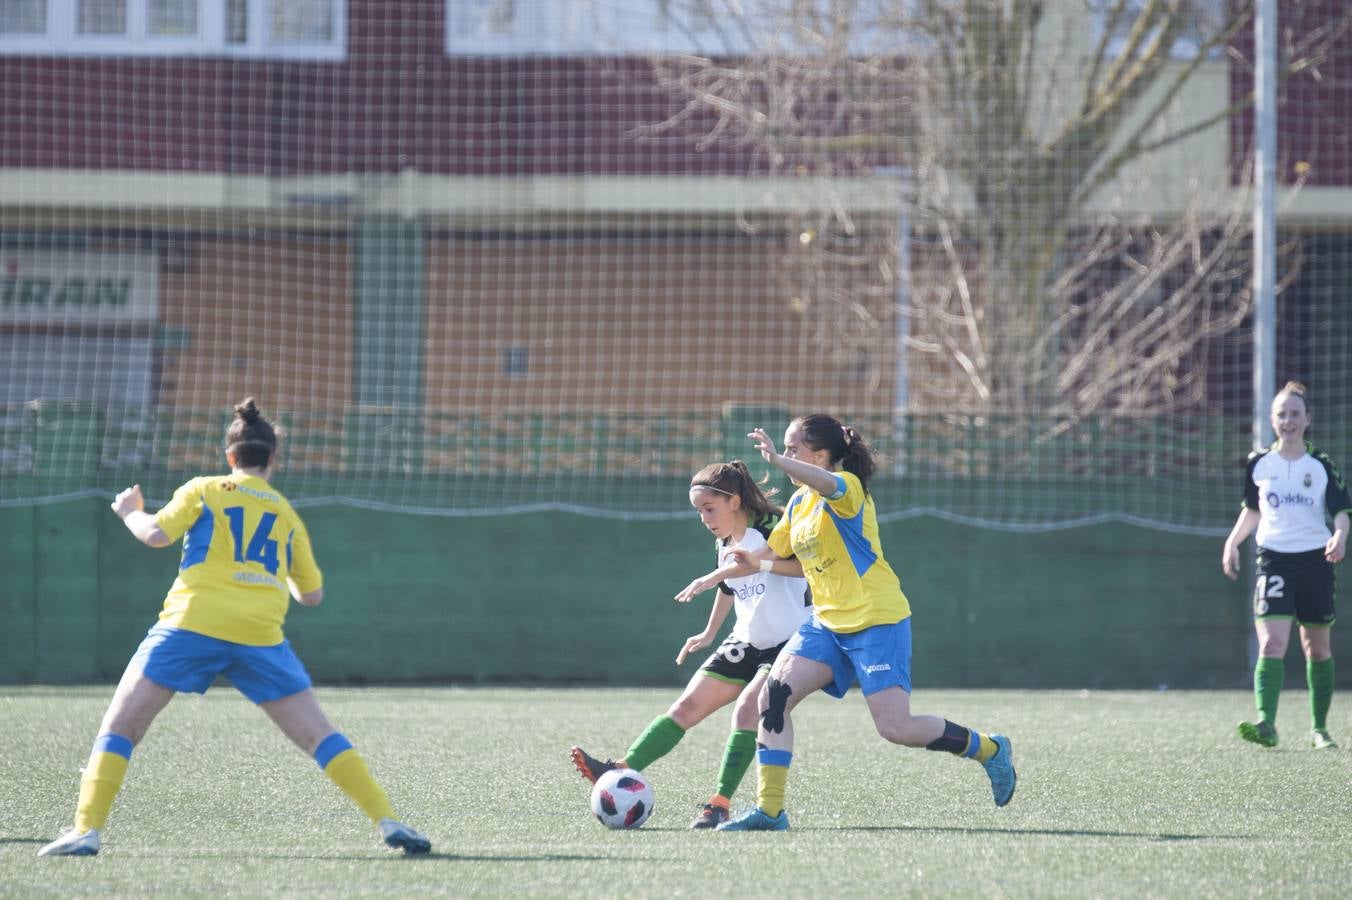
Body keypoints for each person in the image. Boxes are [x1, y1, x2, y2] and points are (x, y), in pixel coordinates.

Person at [38, 398, 431, 857]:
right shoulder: (286, 513)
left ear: (230, 457)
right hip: (259, 634)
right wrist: (273, 568)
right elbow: (312, 596)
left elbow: (156, 535)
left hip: (192, 624)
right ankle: (387, 820)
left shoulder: (205, 488)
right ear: (273, 461)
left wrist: (129, 510)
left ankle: (86, 830)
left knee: (121, 726)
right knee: (319, 735)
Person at [675, 414, 1016, 831]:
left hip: (876, 619)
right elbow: (777, 560)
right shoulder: (798, 505)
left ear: (820, 455)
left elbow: (827, 484)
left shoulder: (848, 489)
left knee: (896, 727)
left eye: (792, 449)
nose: (785, 456)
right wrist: (738, 568)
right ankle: (770, 811)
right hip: (826, 624)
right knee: (773, 698)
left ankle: (989, 750)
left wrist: (779, 465)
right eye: (783, 450)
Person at [569, 460, 811, 829]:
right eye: (698, 510)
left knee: (748, 710)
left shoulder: (772, 527)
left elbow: (780, 567)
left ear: (735, 501)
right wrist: (709, 633)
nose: (704, 517)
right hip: (746, 639)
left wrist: (716, 575)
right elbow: (730, 588)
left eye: (709, 508)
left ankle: (719, 803)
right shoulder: (725, 541)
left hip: (789, 641)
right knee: (685, 707)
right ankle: (621, 767)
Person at [1222, 381, 1350, 749]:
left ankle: (1320, 729)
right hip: (1273, 560)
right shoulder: (1259, 464)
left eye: (1295, 413)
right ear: (1272, 419)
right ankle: (1267, 723)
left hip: (1315, 560)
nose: (1288, 420)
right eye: (1281, 414)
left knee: (1317, 648)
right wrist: (1233, 541)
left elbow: (1341, 511)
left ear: (1308, 419)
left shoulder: (1321, 464)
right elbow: (1253, 510)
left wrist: (1339, 536)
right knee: (1271, 644)